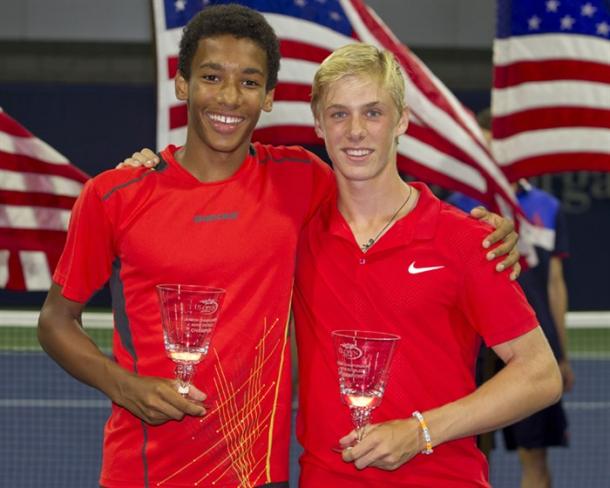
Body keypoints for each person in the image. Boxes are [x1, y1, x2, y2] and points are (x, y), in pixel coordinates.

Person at [39, 5, 519, 488]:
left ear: (268, 97)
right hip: (143, 474)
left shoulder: (300, 179)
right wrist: (123, 386)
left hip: (259, 476)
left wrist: (482, 235)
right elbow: (56, 321)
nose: (229, 97)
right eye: (211, 77)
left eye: (249, 82)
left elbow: (380, 197)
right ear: (182, 84)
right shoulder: (115, 195)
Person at [291, 44, 562, 487]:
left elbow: (539, 374)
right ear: (318, 122)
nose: (355, 131)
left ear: (401, 120)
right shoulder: (295, 230)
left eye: (373, 113)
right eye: (339, 114)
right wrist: (147, 164)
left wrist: (421, 432)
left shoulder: (466, 239)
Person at [449, 109, 573, 488]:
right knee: (466, 455)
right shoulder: (457, 205)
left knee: (534, 459)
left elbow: (555, 283)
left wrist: (561, 354)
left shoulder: (547, 208)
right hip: (473, 350)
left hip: (530, 346)